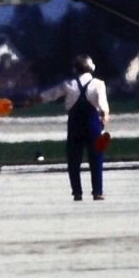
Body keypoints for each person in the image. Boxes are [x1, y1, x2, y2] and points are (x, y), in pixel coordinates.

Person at [28, 55, 110, 201]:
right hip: (93, 125)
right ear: (91, 67)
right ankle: (97, 191)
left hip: (75, 125)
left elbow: (49, 95)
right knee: (96, 159)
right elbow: (103, 105)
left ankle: (77, 192)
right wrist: (105, 117)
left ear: (75, 69)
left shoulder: (68, 84)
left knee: (73, 160)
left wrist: (33, 101)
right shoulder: (98, 84)